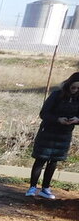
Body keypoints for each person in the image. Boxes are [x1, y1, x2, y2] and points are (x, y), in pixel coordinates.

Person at [26, 72, 79, 200]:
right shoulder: (56, 95)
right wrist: (57, 119)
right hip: (48, 131)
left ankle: (46, 188)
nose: (76, 90)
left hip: (64, 134)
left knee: (54, 160)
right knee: (41, 159)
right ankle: (32, 187)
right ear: (68, 85)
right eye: (74, 88)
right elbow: (44, 113)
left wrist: (76, 119)